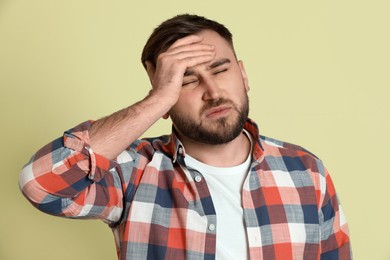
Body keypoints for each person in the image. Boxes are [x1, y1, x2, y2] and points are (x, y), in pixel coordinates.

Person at [19, 14, 352, 259]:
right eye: (187, 81)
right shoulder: (133, 172)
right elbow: (41, 185)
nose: (212, 91)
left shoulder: (306, 171)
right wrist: (156, 101)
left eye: (221, 70)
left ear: (244, 74)